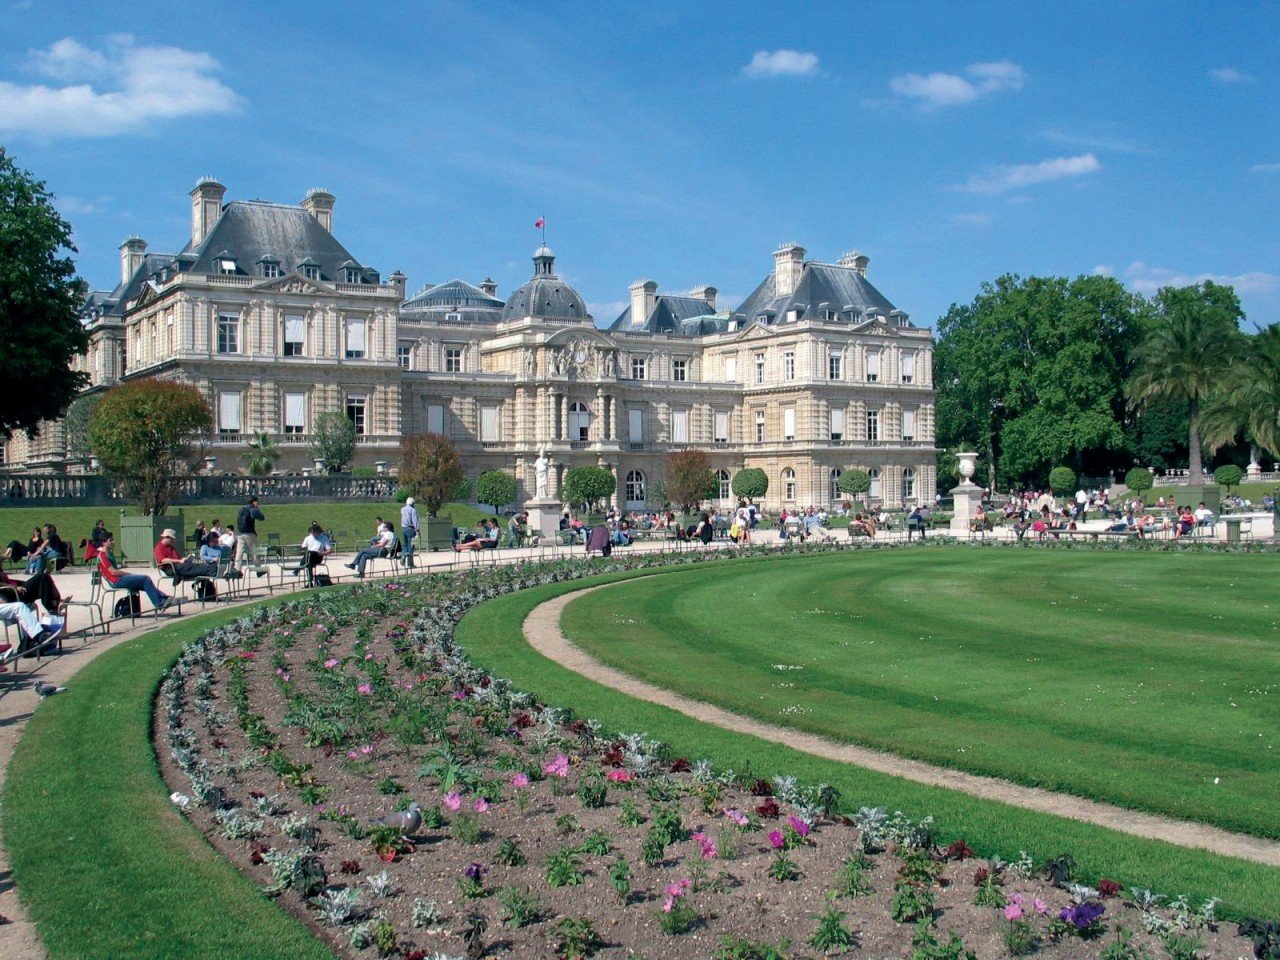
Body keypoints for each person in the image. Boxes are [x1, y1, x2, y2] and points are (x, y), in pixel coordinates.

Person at [97, 534, 175, 613]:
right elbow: (113, 572)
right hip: (116, 581)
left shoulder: (109, 553)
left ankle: (163, 599)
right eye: (111, 540)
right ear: (104, 543)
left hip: (119, 579)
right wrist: (128, 574)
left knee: (144, 583)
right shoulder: (102, 555)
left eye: (113, 540)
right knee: (145, 579)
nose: (113, 542)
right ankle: (160, 603)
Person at [153, 528, 218, 582]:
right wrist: (179, 561)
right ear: (166, 537)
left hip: (178, 566)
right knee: (194, 567)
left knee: (196, 568)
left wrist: (185, 559)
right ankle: (213, 570)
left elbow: (178, 559)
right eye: (172, 539)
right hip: (171, 568)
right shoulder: (159, 547)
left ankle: (211, 573)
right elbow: (163, 560)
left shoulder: (170, 547)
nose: (173, 541)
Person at [235, 497, 266, 575]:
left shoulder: (242, 509)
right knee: (255, 552)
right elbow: (262, 517)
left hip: (240, 533)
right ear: (254, 502)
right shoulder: (252, 509)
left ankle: (237, 569)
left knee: (239, 553)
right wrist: (257, 508)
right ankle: (258, 570)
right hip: (249, 533)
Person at [400, 497, 420, 569]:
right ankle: (409, 564)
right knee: (411, 545)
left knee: (405, 545)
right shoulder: (413, 510)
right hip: (410, 529)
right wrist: (417, 531)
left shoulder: (402, 509)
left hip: (404, 528)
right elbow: (415, 521)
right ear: (412, 503)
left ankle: (403, 556)